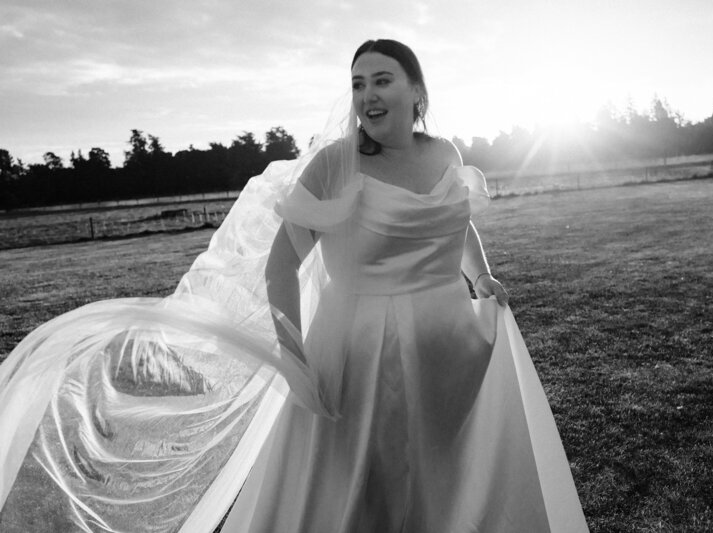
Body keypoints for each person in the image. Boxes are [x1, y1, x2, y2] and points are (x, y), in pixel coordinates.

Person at [0, 39, 588, 533]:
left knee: (448, 477)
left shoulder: (446, 153)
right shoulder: (336, 164)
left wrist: (480, 275)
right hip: (359, 350)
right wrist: (293, 357)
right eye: (358, 84)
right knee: (360, 490)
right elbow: (281, 266)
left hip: (450, 348)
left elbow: (456, 225)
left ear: (418, 93)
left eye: (382, 80)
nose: (367, 96)